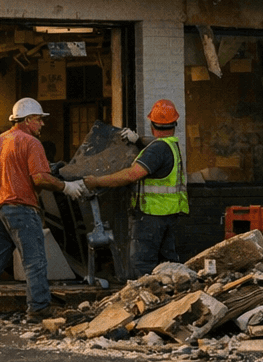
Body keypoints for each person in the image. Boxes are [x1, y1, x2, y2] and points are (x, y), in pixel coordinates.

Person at [0, 99, 88, 322]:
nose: (41, 124)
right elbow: (39, 178)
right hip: (20, 208)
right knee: (34, 260)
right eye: (38, 119)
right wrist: (66, 186)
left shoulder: (0, 141)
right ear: (27, 120)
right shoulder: (31, 142)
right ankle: (38, 309)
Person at [81, 99, 189, 278]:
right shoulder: (171, 145)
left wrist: (97, 181)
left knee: (142, 265)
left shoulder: (156, 150)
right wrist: (138, 140)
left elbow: (130, 175)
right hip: (167, 214)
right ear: (175, 124)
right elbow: (154, 145)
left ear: (152, 124)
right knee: (167, 263)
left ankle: (146, 300)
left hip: (150, 217)